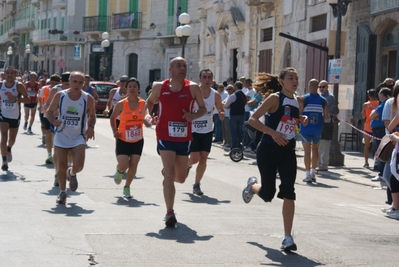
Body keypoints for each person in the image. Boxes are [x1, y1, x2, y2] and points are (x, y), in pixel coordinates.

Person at [243, 67, 307, 251]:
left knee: (289, 191)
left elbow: (290, 121)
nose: (294, 81)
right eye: (290, 78)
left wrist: (299, 120)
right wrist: (272, 133)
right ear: (281, 81)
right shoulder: (274, 98)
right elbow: (253, 120)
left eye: (296, 78)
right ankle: (252, 186)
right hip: (269, 149)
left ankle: (288, 237)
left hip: (287, 150)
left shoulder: (299, 100)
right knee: (268, 194)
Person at [145, 57, 206, 227]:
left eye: (185, 65)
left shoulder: (193, 88)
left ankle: (182, 167)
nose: (182, 68)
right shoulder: (159, 86)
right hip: (164, 134)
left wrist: (193, 116)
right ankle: (169, 211)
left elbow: (203, 108)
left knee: (180, 178)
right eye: (178, 65)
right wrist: (147, 115)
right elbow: (149, 102)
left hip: (184, 136)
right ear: (170, 69)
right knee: (170, 174)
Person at [46, 71, 96, 204]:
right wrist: (53, 121)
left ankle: (72, 173)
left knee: (79, 165)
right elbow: (49, 112)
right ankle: (62, 192)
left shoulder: (87, 98)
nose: (77, 85)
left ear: (84, 84)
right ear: (69, 81)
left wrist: (91, 127)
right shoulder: (60, 96)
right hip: (61, 135)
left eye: (81, 82)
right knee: (61, 166)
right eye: (75, 81)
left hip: (78, 137)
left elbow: (92, 115)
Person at [110, 78, 151, 198]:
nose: (132, 89)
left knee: (133, 164)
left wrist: (148, 121)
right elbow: (113, 118)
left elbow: (146, 115)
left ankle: (127, 187)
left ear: (138, 89)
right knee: (124, 165)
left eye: (134, 86)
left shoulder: (143, 103)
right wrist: (115, 131)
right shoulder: (121, 104)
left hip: (137, 139)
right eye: (130, 87)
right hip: (123, 138)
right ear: (126, 89)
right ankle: (119, 170)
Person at [187, 69, 225, 195]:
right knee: (194, 158)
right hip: (193, 129)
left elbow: (220, 108)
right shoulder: (192, 92)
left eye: (209, 77)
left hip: (207, 130)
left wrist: (221, 114)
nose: (207, 80)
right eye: (204, 77)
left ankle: (197, 184)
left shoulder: (216, 95)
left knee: (203, 158)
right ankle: (186, 165)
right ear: (200, 79)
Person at [0, 66, 31, 171]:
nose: (9, 75)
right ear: (4, 74)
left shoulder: (19, 86)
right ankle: (4, 161)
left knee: (12, 139)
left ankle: (9, 149)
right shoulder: (1, 85)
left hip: (15, 116)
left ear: (15, 75)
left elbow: (28, 100)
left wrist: (16, 99)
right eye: (7, 73)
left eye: (12, 73)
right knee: (3, 137)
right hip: (3, 115)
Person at [299, 79, 329, 183]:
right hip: (318, 128)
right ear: (317, 87)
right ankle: (313, 172)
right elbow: (326, 117)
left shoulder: (303, 98)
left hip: (306, 127)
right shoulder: (323, 100)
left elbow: (299, 113)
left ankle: (307, 174)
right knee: (315, 150)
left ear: (309, 86)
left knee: (307, 151)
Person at [38, 74, 61, 166]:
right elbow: (41, 98)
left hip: (59, 115)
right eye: (52, 83)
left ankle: (57, 154)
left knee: (56, 135)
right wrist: (41, 106)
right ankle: (49, 155)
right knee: (48, 134)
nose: (53, 85)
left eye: (55, 83)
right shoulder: (45, 88)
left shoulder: (61, 90)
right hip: (47, 114)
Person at [370, 88, 391, 181]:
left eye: (379, 94)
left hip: (380, 131)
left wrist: (373, 115)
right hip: (379, 130)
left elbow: (372, 115)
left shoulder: (384, 104)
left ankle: (382, 173)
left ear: (382, 95)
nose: (378, 96)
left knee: (380, 152)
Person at [317, 80, 336, 171]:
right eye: (320, 87)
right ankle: (317, 163)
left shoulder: (329, 97)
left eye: (323, 87)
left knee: (324, 143)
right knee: (318, 143)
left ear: (327, 87)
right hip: (318, 120)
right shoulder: (319, 96)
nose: (321, 89)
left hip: (326, 120)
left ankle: (323, 165)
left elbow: (324, 110)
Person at [224, 81, 246, 152]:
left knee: (233, 133)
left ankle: (233, 148)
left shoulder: (233, 95)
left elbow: (226, 105)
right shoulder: (244, 95)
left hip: (234, 116)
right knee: (239, 133)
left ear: (236, 87)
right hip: (242, 115)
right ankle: (239, 147)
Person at [361, 89, 379, 169]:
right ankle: (377, 162)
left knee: (366, 145)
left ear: (368, 96)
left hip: (368, 127)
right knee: (378, 146)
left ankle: (366, 162)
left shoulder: (366, 104)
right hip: (377, 126)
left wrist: (364, 110)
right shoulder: (379, 103)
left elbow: (363, 116)